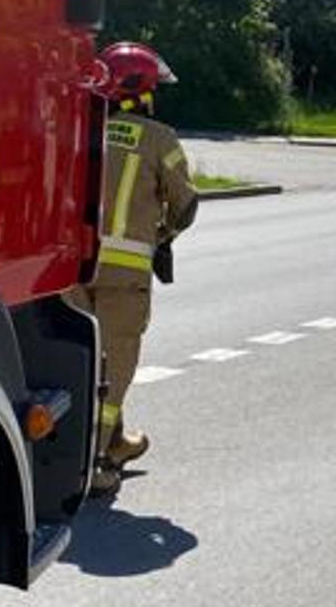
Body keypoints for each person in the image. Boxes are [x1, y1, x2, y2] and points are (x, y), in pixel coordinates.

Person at [75, 42, 202, 497]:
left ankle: (116, 443)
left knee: (83, 361)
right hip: (124, 275)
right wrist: (162, 235)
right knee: (117, 362)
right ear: (142, 92)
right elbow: (186, 205)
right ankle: (100, 462)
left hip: (73, 268)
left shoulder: (79, 127)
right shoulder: (159, 138)